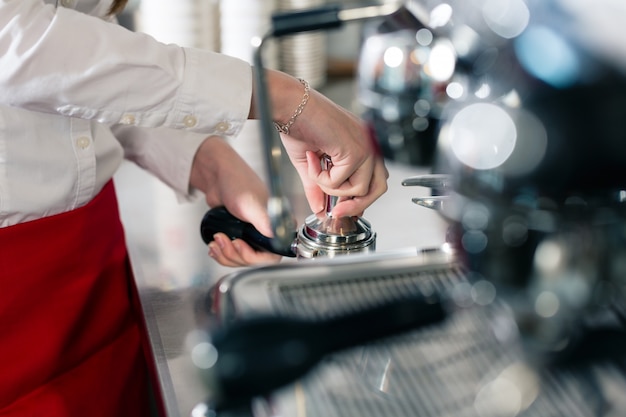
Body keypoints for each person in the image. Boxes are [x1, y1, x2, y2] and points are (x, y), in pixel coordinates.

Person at [0, 0, 388, 415]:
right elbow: (20, 44)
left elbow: (86, 72)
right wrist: (287, 99)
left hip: (94, 259)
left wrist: (210, 162)